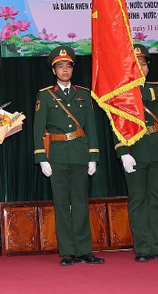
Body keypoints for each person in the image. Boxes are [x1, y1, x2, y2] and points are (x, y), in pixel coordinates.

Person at [33, 46, 104, 266]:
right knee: (62, 204)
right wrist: (42, 158)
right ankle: (68, 252)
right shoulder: (45, 95)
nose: (65, 70)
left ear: (73, 69)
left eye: (68, 66)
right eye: (60, 66)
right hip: (57, 154)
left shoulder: (83, 94)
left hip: (80, 153)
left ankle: (84, 250)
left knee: (81, 202)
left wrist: (93, 156)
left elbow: (91, 127)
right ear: (54, 71)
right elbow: (38, 129)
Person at [113, 44, 158, 262]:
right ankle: (142, 247)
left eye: (143, 63)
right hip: (135, 149)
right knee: (138, 199)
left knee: (157, 200)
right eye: (135, 63)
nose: (140, 66)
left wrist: (140, 90)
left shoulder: (155, 87)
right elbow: (117, 123)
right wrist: (123, 151)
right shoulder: (119, 91)